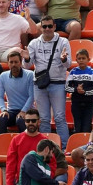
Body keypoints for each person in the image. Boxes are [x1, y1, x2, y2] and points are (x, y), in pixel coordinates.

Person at [25, 15, 72, 147]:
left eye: (49, 26)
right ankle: (45, 147)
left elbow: (68, 64)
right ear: (41, 27)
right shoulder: (34, 43)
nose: (47, 29)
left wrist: (63, 59)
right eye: (44, 26)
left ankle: (63, 147)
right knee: (44, 119)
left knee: (59, 117)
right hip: (40, 84)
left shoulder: (63, 42)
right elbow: (27, 66)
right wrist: (27, 58)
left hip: (58, 83)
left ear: (54, 27)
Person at [5, 108, 56, 185]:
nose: (30, 123)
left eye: (33, 120)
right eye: (28, 121)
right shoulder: (16, 140)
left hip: (41, 183)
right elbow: (11, 163)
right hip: (21, 183)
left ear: (38, 121)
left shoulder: (45, 141)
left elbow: (52, 163)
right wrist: (9, 184)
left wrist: (47, 179)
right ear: (24, 122)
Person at [0, 49, 35, 133]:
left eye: (16, 62)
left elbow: (32, 96)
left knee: (20, 121)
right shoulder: (3, 76)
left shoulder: (30, 75)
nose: (14, 64)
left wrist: (23, 111)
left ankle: (25, 145)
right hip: (11, 111)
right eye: (11, 62)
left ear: (20, 63)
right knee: (2, 119)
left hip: (28, 111)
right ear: (8, 63)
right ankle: (2, 145)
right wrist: (3, 110)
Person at [66, 48, 93, 134]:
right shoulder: (73, 72)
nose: (81, 60)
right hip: (76, 104)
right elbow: (67, 87)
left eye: (83, 58)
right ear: (76, 60)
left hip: (89, 104)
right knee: (77, 127)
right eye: (79, 58)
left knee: (86, 127)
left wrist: (85, 92)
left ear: (88, 59)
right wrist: (76, 90)